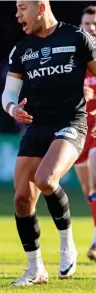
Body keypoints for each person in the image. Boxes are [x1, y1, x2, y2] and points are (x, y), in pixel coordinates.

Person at [1, 0, 96, 286]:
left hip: (71, 122)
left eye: (22, 8)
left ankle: (68, 245)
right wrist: (12, 109)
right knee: (21, 198)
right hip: (37, 126)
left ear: (41, 7)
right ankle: (35, 269)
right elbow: (8, 94)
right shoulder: (22, 49)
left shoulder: (78, 38)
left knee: (45, 178)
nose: (17, 16)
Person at [74, 5, 96, 261]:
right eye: (86, 23)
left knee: (94, 174)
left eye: (94, 24)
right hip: (77, 130)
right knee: (88, 189)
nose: (90, 28)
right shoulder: (73, 57)